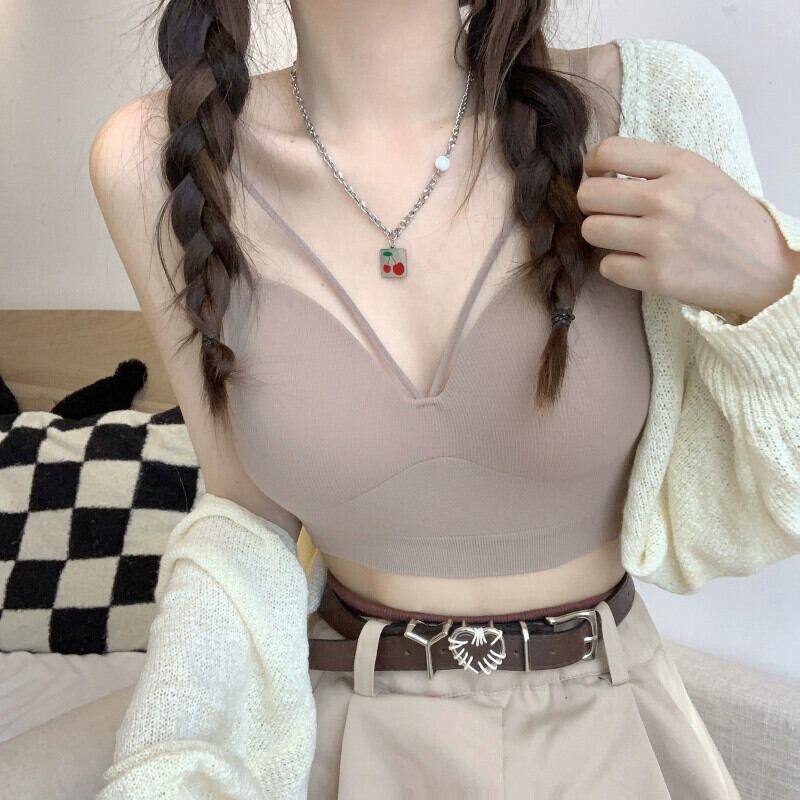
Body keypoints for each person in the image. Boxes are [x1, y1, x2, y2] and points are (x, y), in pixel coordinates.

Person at [6, 1, 799, 798]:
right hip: (348, 740)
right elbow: (245, 521)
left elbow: (779, 499)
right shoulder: (152, 159)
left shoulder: (653, 106)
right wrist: (171, 751)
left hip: (612, 735)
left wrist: (774, 285)